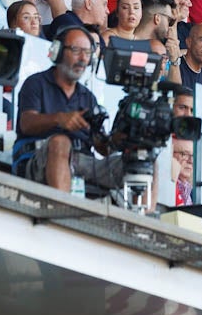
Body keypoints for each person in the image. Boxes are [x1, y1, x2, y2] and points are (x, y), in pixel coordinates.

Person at [14, 27, 122, 196]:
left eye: (87, 52)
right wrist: (58, 119)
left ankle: (145, 218)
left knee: (143, 160)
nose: (82, 59)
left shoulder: (88, 97)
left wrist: (119, 141)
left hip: (83, 162)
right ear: (57, 52)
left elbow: (102, 149)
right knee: (61, 142)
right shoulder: (36, 83)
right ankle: (61, 209)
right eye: (76, 50)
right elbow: (26, 124)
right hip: (37, 158)